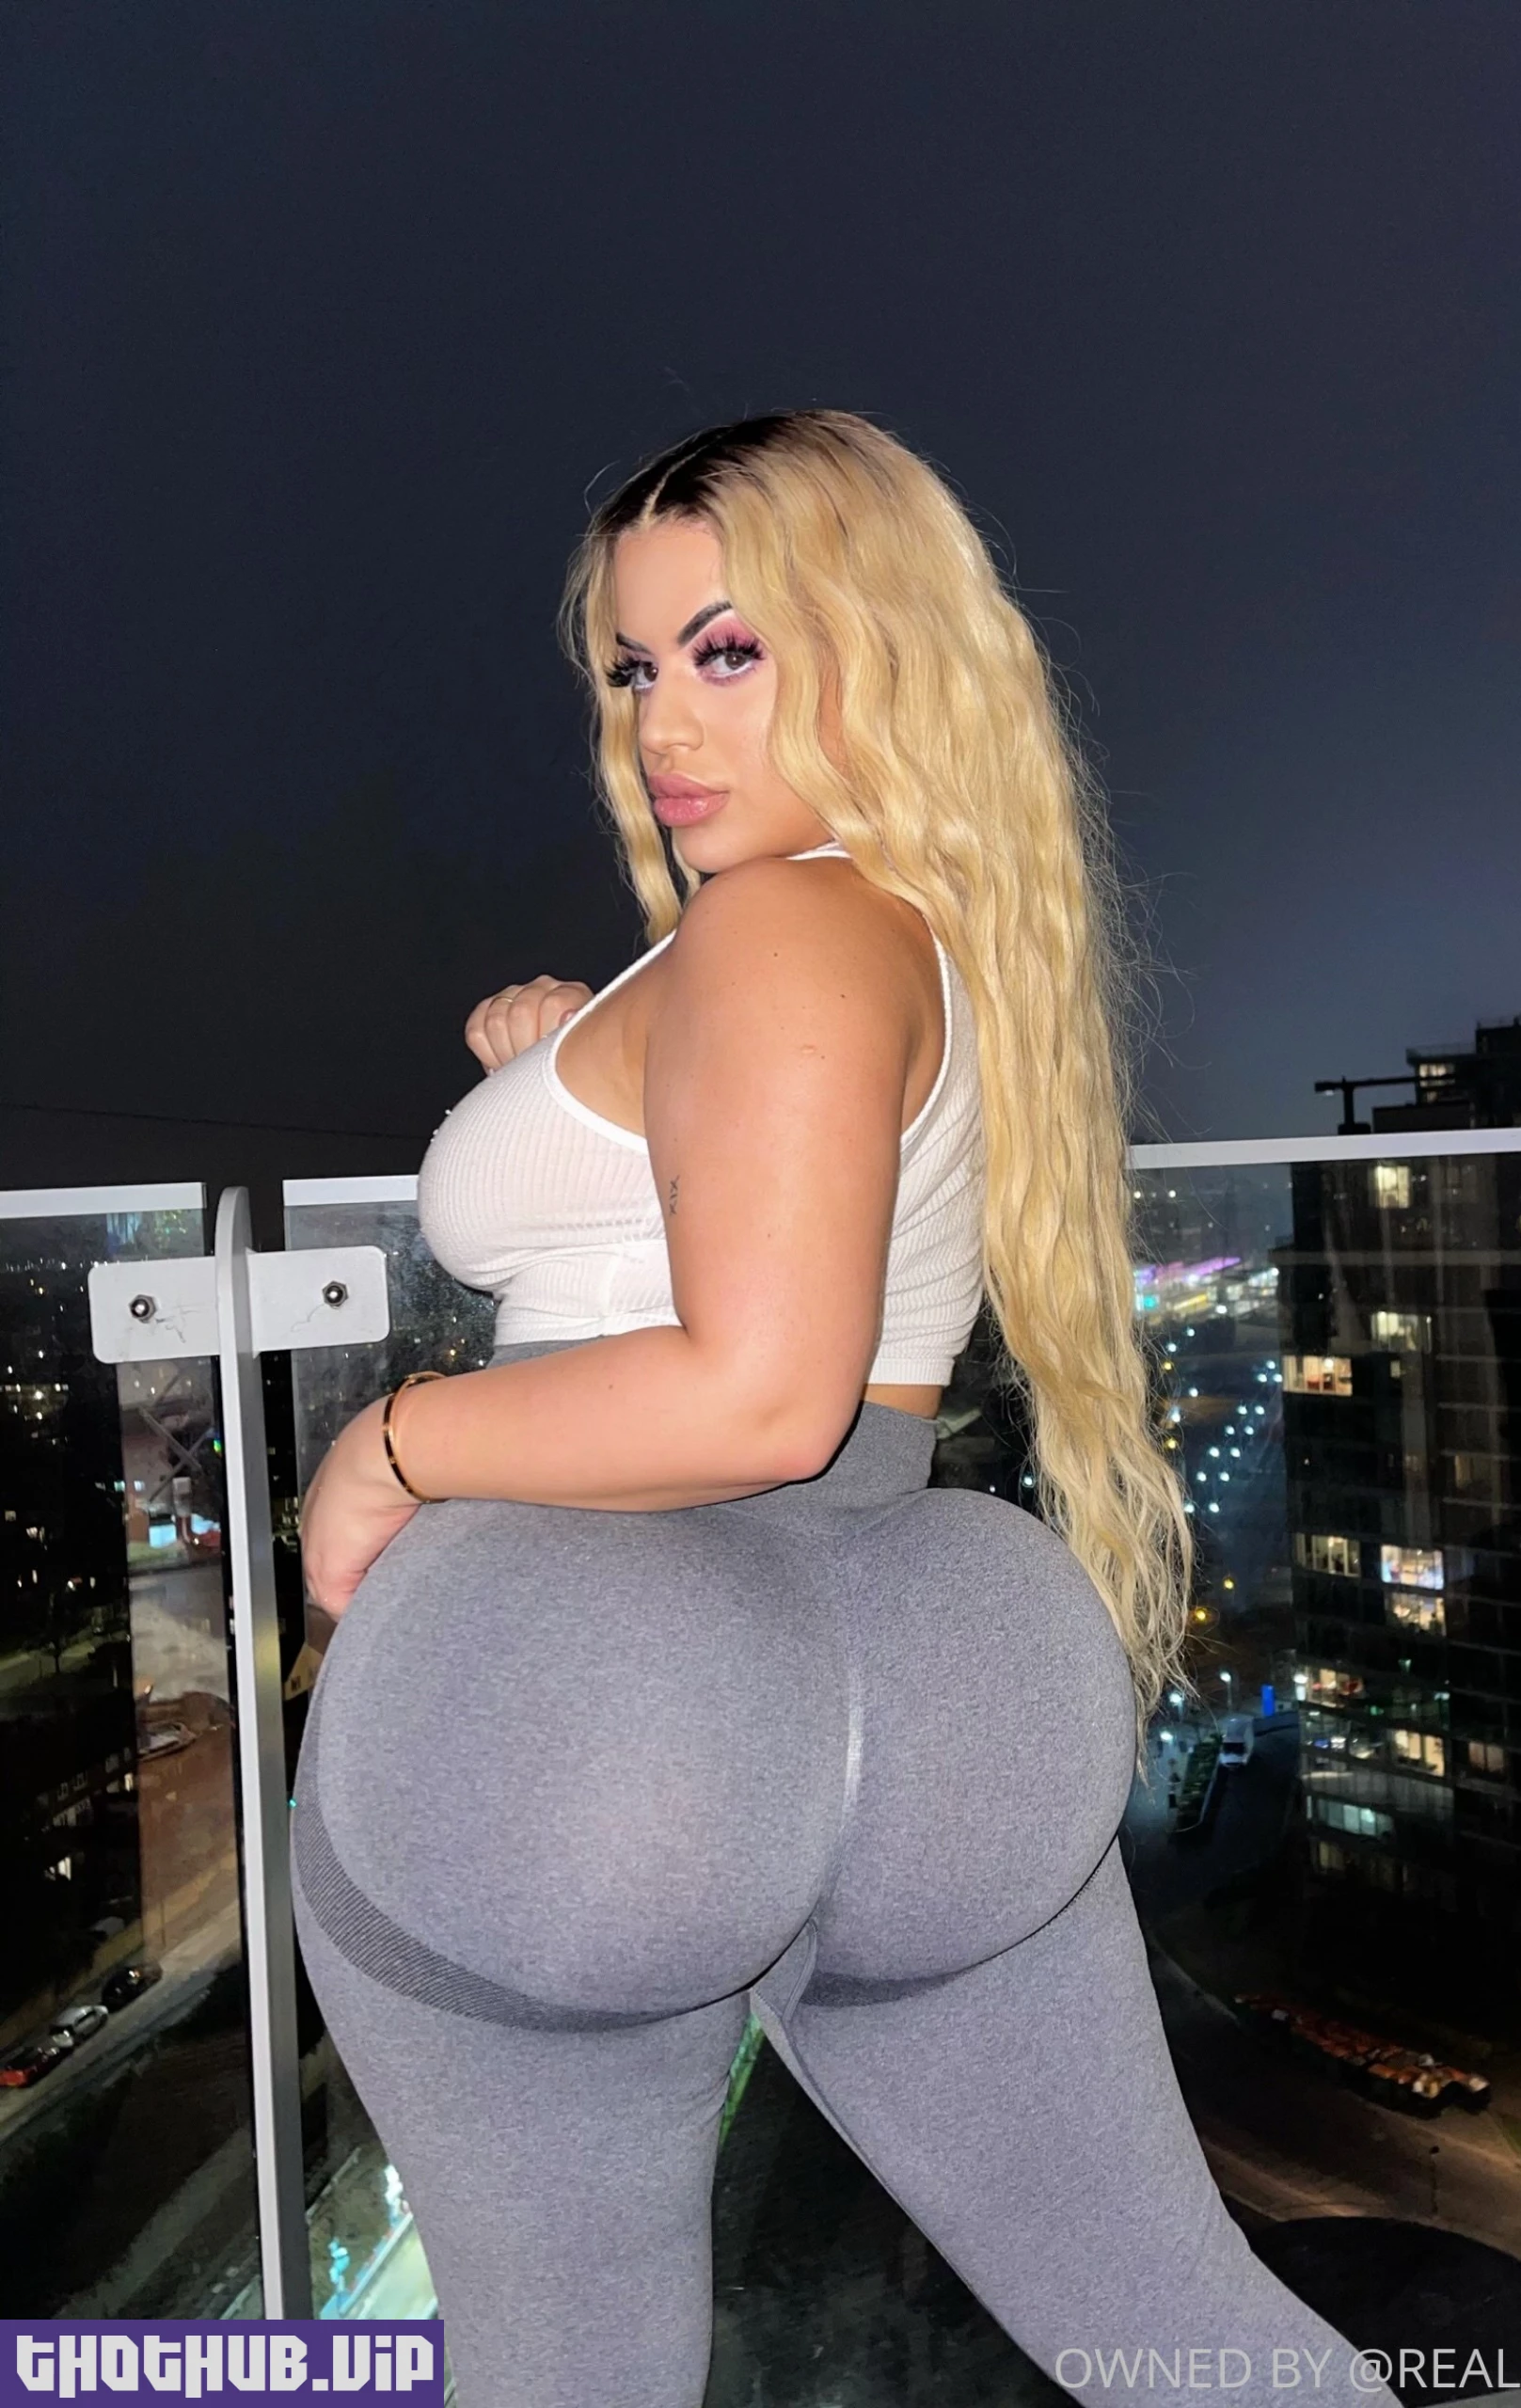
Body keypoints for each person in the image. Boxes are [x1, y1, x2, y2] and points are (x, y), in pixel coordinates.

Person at [291, 411, 1394, 2408]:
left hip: (598, 1665)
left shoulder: (778, 931)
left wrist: (392, 1445)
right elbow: (762, 1218)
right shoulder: (906, 931)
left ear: (885, 645)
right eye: (636, 666)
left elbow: (756, 1394)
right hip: (935, 1658)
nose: (664, 722)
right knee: (1179, 2325)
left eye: (729, 650)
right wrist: (569, 1042)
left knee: (568, 2363)